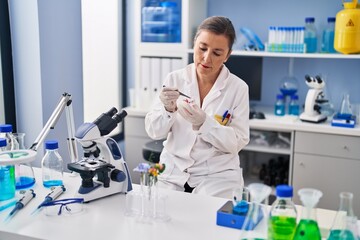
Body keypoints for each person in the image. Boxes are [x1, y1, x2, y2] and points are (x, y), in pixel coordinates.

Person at [144, 16, 249, 199]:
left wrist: (205, 124)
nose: (206, 58)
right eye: (202, 48)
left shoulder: (238, 88)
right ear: (194, 44)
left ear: (227, 55)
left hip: (217, 175)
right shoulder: (174, 79)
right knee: (158, 216)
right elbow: (154, 131)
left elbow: (236, 142)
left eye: (217, 53)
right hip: (172, 172)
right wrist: (167, 110)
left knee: (210, 219)